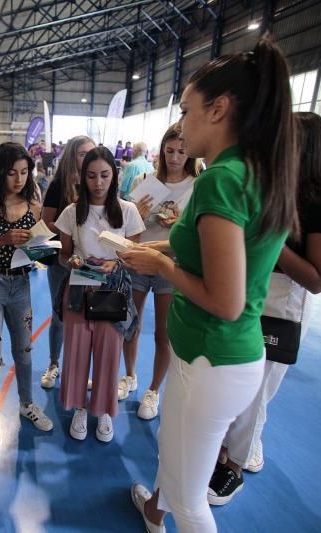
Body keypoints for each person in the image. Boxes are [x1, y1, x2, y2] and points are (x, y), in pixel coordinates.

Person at [124, 35, 298, 533]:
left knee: (190, 498)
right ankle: (153, 514)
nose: (181, 124)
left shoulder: (221, 179)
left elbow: (226, 299)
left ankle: (166, 509)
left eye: (186, 109)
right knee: (175, 453)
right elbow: (202, 250)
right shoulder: (255, 171)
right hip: (215, 356)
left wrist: (161, 269)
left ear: (219, 109)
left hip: (213, 355)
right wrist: (151, 250)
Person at [207, 111, 321, 505]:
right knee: (232, 382)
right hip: (245, 293)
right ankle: (222, 450)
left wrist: (273, 240)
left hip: (281, 306)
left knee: (255, 393)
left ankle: (232, 465)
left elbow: (318, 278)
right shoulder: (268, 190)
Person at [0, 142, 54, 443]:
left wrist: (42, 249)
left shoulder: (33, 203)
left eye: (25, 172)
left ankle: (27, 404)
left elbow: (41, 252)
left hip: (22, 283)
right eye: (12, 172)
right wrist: (3, 239)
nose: (19, 179)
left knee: (25, 352)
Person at [55, 147, 144, 442]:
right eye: (91, 175)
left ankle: (104, 409)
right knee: (77, 350)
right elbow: (63, 256)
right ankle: (80, 407)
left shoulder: (128, 211)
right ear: (83, 177)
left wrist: (116, 261)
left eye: (105, 175)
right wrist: (74, 261)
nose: (98, 182)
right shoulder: (71, 212)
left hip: (113, 289)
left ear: (114, 176)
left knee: (109, 352)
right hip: (79, 288)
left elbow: (135, 253)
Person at [120, 123, 201, 420]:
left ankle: (153, 390)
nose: (175, 157)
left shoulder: (197, 185)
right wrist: (136, 214)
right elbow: (127, 225)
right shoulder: (145, 179)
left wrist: (181, 226)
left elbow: (201, 231)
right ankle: (129, 376)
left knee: (163, 334)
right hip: (141, 259)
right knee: (131, 324)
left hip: (173, 262)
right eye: (169, 151)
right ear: (161, 151)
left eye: (181, 151)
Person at [39, 135, 96, 389]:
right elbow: (46, 221)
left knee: (86, 315)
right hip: (62, 260)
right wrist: (69, 227)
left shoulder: (97, 183)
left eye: (92, 152)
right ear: (73, 155)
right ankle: (54, 364)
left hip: (89, 261)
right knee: (59, 314)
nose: (88, 158)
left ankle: (81, 369)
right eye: (83, 153)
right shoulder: (59, 185)